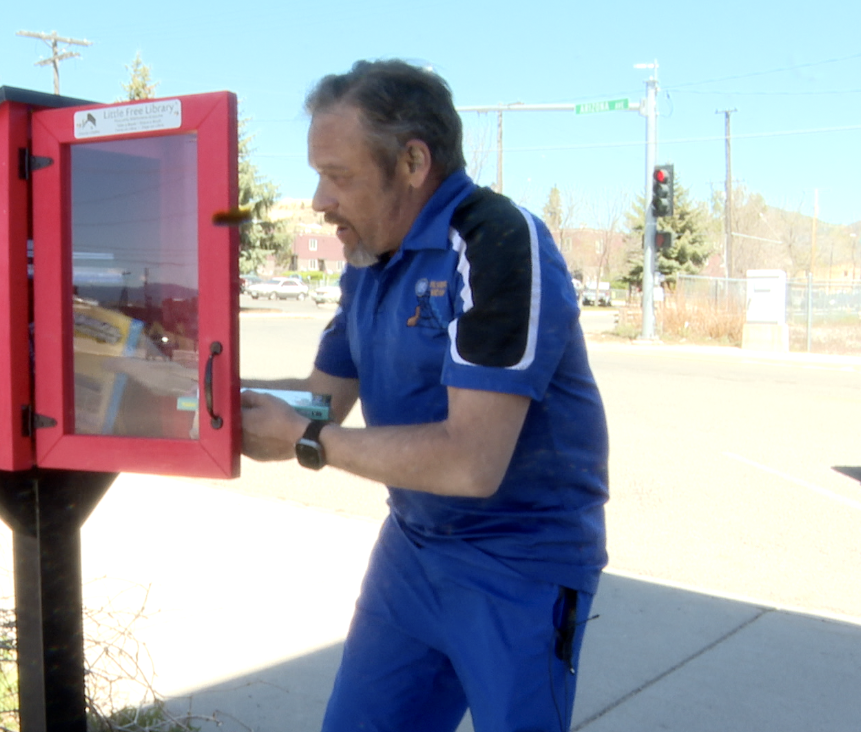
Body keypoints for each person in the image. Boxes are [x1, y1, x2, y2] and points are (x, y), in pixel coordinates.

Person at [240, 60, 609, 732]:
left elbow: (472, 460)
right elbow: (323, 400)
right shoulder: (370, 263)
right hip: (412, 549)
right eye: (318, 174)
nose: (321, 200)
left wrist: (302, 440)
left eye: (339, 175)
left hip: (518, 562)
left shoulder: (496, 241)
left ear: (412, 162)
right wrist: (207, 390)